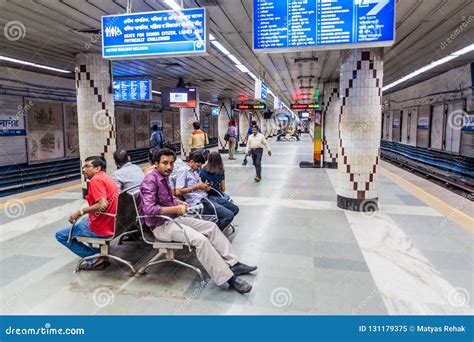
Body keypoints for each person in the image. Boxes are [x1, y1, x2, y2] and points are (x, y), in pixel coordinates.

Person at [139, 148, 256, 293]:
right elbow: (149, 210)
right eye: (165, 163)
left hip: (174, 219)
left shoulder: (163, 177)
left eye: (171, 163)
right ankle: (228, 279)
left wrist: (178, 203)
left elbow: (166, 199)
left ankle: (234, 263)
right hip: (162, 226)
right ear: (156, 163)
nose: (169, 167)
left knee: (211, 227)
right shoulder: (150, 180)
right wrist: (175, 209)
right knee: (200, 240)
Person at [55, 156, 118, 270]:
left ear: (97, 168)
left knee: (61, 235)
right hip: (112, 223)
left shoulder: (96, 180)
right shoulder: (107, 178)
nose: (83, 169)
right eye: (83, 166)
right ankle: (99, 254)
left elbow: (102, 204)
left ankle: (94, 258)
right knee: (82, 223)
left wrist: (80, 212)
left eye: (87, 166)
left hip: (101, 227)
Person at [175, 150, 239, 231]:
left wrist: (205, 187)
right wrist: (196, 187)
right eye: (198, 166)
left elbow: (198, 185)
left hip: (206, 196)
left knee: (235, 209)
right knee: (229, 215)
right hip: (198, 201)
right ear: (191, 161)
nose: (199, 168)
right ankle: (213, 232)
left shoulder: (194, 171)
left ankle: (216, 223)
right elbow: (178, 191)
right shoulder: (183, 171)